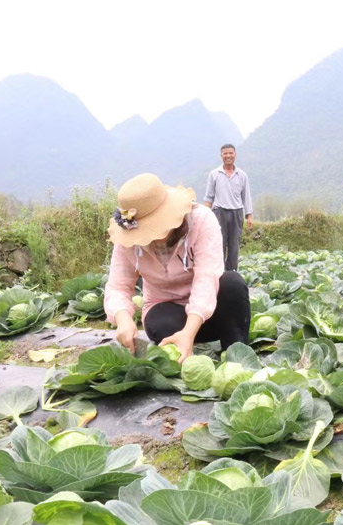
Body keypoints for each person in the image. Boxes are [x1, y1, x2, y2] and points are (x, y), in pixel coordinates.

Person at [104, 173, 251, 363]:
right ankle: (181, 343)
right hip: (169, 309)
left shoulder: (201, 220)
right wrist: (123, 318)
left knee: (232, 283)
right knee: (158, 324)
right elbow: (118, 285)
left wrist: (189, 332)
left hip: (211, 310)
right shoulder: (128, 238)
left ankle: (235, 352)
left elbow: (207, 277)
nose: (151, 236)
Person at [203, 144, 254, 271]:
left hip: (236, 213)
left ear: (235, 155)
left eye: (230, 153)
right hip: (219, 212)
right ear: (221, 156)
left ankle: (232, 273)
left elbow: (246, 196)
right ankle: (219, 274)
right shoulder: (214, 174)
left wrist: (249, 216)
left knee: (234, 247)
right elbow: (209, 197)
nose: (228, 156)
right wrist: (203, 216)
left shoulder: (242, 175)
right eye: (225, 154)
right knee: (219, 244)